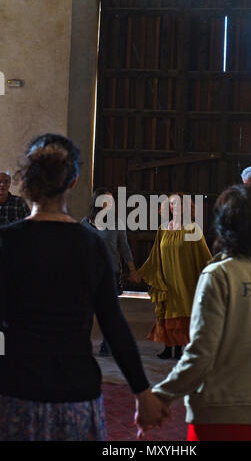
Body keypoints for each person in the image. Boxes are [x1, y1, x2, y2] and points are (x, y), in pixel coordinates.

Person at [0, 134, 168, 441]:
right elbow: (114, 325)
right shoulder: (89, 245)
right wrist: (143, 393)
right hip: (76, 392)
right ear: (74, 180)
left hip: (15, 391)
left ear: (26, 179)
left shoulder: (7, 242)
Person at [146, 185, 251, 441]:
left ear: (224, 226)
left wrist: (159, 397)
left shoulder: (218, 276)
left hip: (219, 417)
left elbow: (200, 355)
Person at [138, 192, 212, 360]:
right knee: (167, 312)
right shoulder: (163, 229)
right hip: (167, 280)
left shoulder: (193, 229)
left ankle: (179, 349)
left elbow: (204, 256)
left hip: (185, 279)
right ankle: (168, 347)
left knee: (181, 311)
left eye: (178, 204)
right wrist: (145, 274)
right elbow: (155, 255)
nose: (175, 207)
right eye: (171, 204)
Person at [81, 188, 141, 356]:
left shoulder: (117, 224)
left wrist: (133, 270)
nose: (109, 204)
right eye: (105, 200)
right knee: (86, 311)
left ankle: (107, 344)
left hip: (110, 273)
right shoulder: (85, 223)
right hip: (89, 273)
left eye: (111, 201)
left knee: (109, 312)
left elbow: (124, 248)